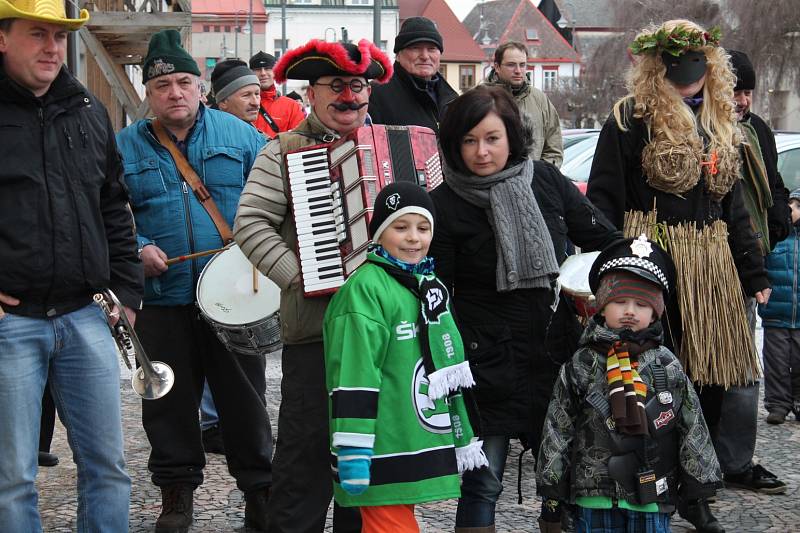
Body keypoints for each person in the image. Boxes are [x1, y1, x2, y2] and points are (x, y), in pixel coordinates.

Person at [585, 20, 771, 533]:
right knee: (657, 380)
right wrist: (612, 263)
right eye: (675, 68)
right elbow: (603, 197)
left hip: (713, 269)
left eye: (696, 67)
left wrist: (752, 270)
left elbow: (734, 207)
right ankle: (652, 483)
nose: (687, 78)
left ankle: (697, 490)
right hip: (655, 260)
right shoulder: (629, 119)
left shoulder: (721, 121)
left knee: (714, 382)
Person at [429, 85, 621, 533]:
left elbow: (603, 241)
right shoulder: (445, 203)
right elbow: (439, 294)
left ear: (512, 137)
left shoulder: (545, 181)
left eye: (492, 138)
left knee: (569, 475)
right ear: (455, 145)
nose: (482, 152)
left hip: (554, 354)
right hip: (486, 361)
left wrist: (610, 288)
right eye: (470, 141)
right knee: (482, 482)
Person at [116, 29, 272, 533]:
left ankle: (260, 496)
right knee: (167, 404)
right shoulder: (122, 147)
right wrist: (137, 246)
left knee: (244, 405)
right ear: (148, 93)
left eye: (184, 82)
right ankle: (175, 497)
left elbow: (276, 201)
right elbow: (108, 212)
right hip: (161, 300)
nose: (175, 93)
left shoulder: (241, 136)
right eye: (163, 87)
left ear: (201, 86)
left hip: (233, 298)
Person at [234, 38, 392, 533]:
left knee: (367, 466)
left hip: (383, 338)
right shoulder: (281, 151)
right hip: (316, 334)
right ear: (312, 92)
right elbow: (251, 224)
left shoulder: (392, 146)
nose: (350, 97)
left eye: (358, 86)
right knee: (303, 463)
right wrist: (300, 275)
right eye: (337, 86)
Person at [0, 0, 142, 530]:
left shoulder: (87, 109)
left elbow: (113, 204)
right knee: (11, 478)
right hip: (12, 324)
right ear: (3, 38)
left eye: (59, 37)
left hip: (86, 314)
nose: (52, 47)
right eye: (37, 34)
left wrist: (127, 294)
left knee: (108, 467)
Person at [324, 182, 487, 532]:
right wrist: (352, 448)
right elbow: (354, 372)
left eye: (423, 227)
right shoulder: (366, 289)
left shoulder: (427, 285)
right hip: (380, 443)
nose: (414, 237)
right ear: (380, 233)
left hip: (411, 438)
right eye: (401, 227)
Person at [537, 236, 722, 533]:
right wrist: (552, 490)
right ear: (601, 306)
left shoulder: (666, 365)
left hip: (652, 494)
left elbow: (692, 425)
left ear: (655, 312)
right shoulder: (581, 364)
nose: (629, 311)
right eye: (619, 301)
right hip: (592, 495)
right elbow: (558, 428)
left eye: (641, 304)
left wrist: (697, 491)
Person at [710, 48, 789, 495]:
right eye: (733, 90)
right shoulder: (701, 133)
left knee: (742, 368)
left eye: (747, 91)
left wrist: (779, 219)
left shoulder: (758, 131)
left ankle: (737, 461)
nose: (741, 100)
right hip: (708, 265)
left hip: (749, 267)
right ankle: (696, 459)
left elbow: (772, 186)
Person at [368, 16, 457, 134]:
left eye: (432, 49)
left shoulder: (452, 100)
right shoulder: (375, 95)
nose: (425, 56)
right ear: (398, 55)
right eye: (415, 48)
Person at [483, 40, 563, 166]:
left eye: (522, 65)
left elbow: (554, 148)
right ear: (497, 67)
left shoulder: (540, 100)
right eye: (511, 65)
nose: (518, 70)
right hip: (491, 182)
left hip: (532, 182)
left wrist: (540, 176)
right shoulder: (478, 98)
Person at [759, 189, 800, 424]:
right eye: (790, 204)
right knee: (776, 363)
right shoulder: (775, 237)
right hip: (776, 313)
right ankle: (778, 404)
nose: (791, 209)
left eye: (797, 206)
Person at [250, 50, 305, 138]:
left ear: (275, 72)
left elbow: (298, 140)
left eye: (268, 68)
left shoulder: (291, 106)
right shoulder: (243, 104)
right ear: (251, 73)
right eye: (258, 69)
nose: (263, 73)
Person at [210, 58, 261, 124]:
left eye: (257, 94)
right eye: (246, 95)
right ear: (223, 102)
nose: (256, 103)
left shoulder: (252, 132)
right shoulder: (214, 133)